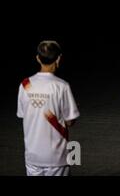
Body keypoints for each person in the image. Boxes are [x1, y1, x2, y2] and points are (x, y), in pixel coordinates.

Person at [17, 40, 80, 176]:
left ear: (38, 58)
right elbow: (70, 121)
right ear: (59, 58)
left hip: (32, 155)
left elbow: (23, 114)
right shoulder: (62, 86)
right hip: (57, 157)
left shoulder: (25, 85)